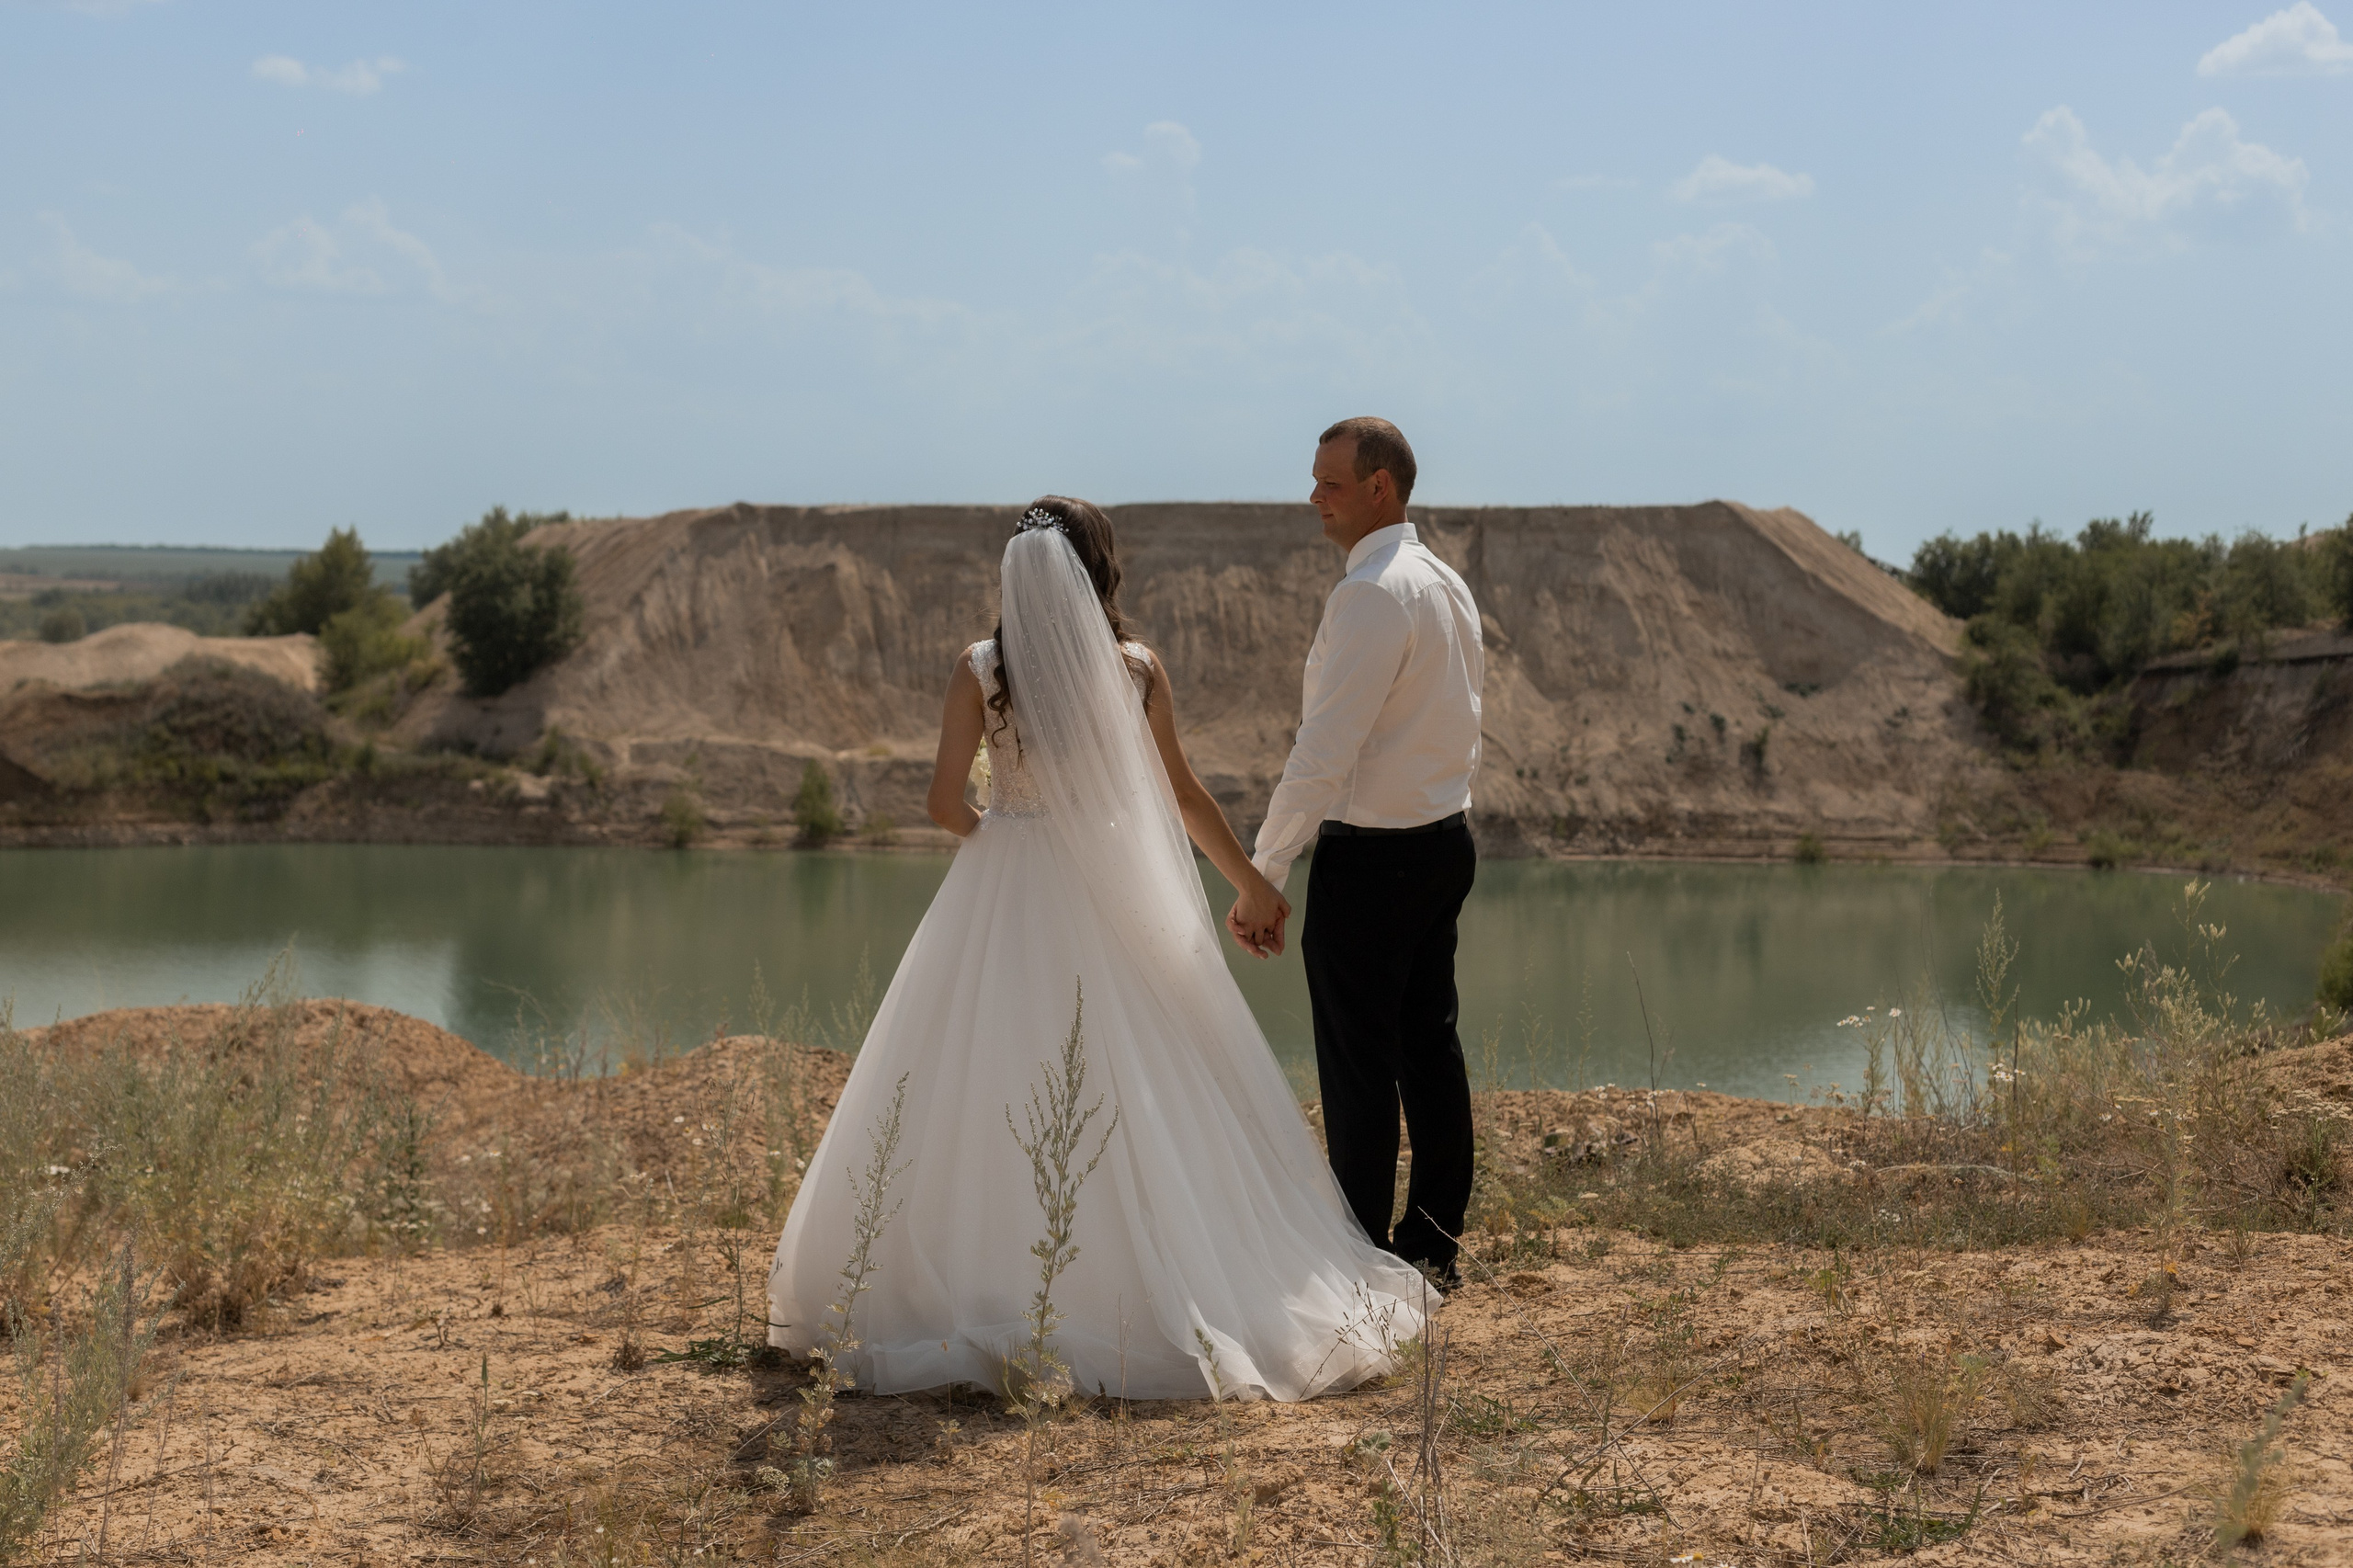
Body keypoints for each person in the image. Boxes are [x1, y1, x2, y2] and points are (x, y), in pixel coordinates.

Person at [766, 495, 1430, 1402]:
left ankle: (982, 1285)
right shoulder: (1136, 670)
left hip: (1003, 882)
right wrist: (1252, 885)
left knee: (980, 1072)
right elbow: (1182, 795)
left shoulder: (981, 668)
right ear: (1100, 568)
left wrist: (1000, 837)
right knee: (1143, 1074)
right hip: (1114, 883)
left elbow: (940, 803)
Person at [1236, 418, 1484, 1288]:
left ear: (1380, 487)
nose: (1314, 497)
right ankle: (1432, 1247)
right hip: (1443, 843)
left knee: (1359, 1066)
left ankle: (1361, 1260)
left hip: (1376, 860)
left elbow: (1323, 749)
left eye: (1330, 483)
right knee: (1428, 1049)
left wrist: (1264, 871)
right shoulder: (1445, 583)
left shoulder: (1374, 593)